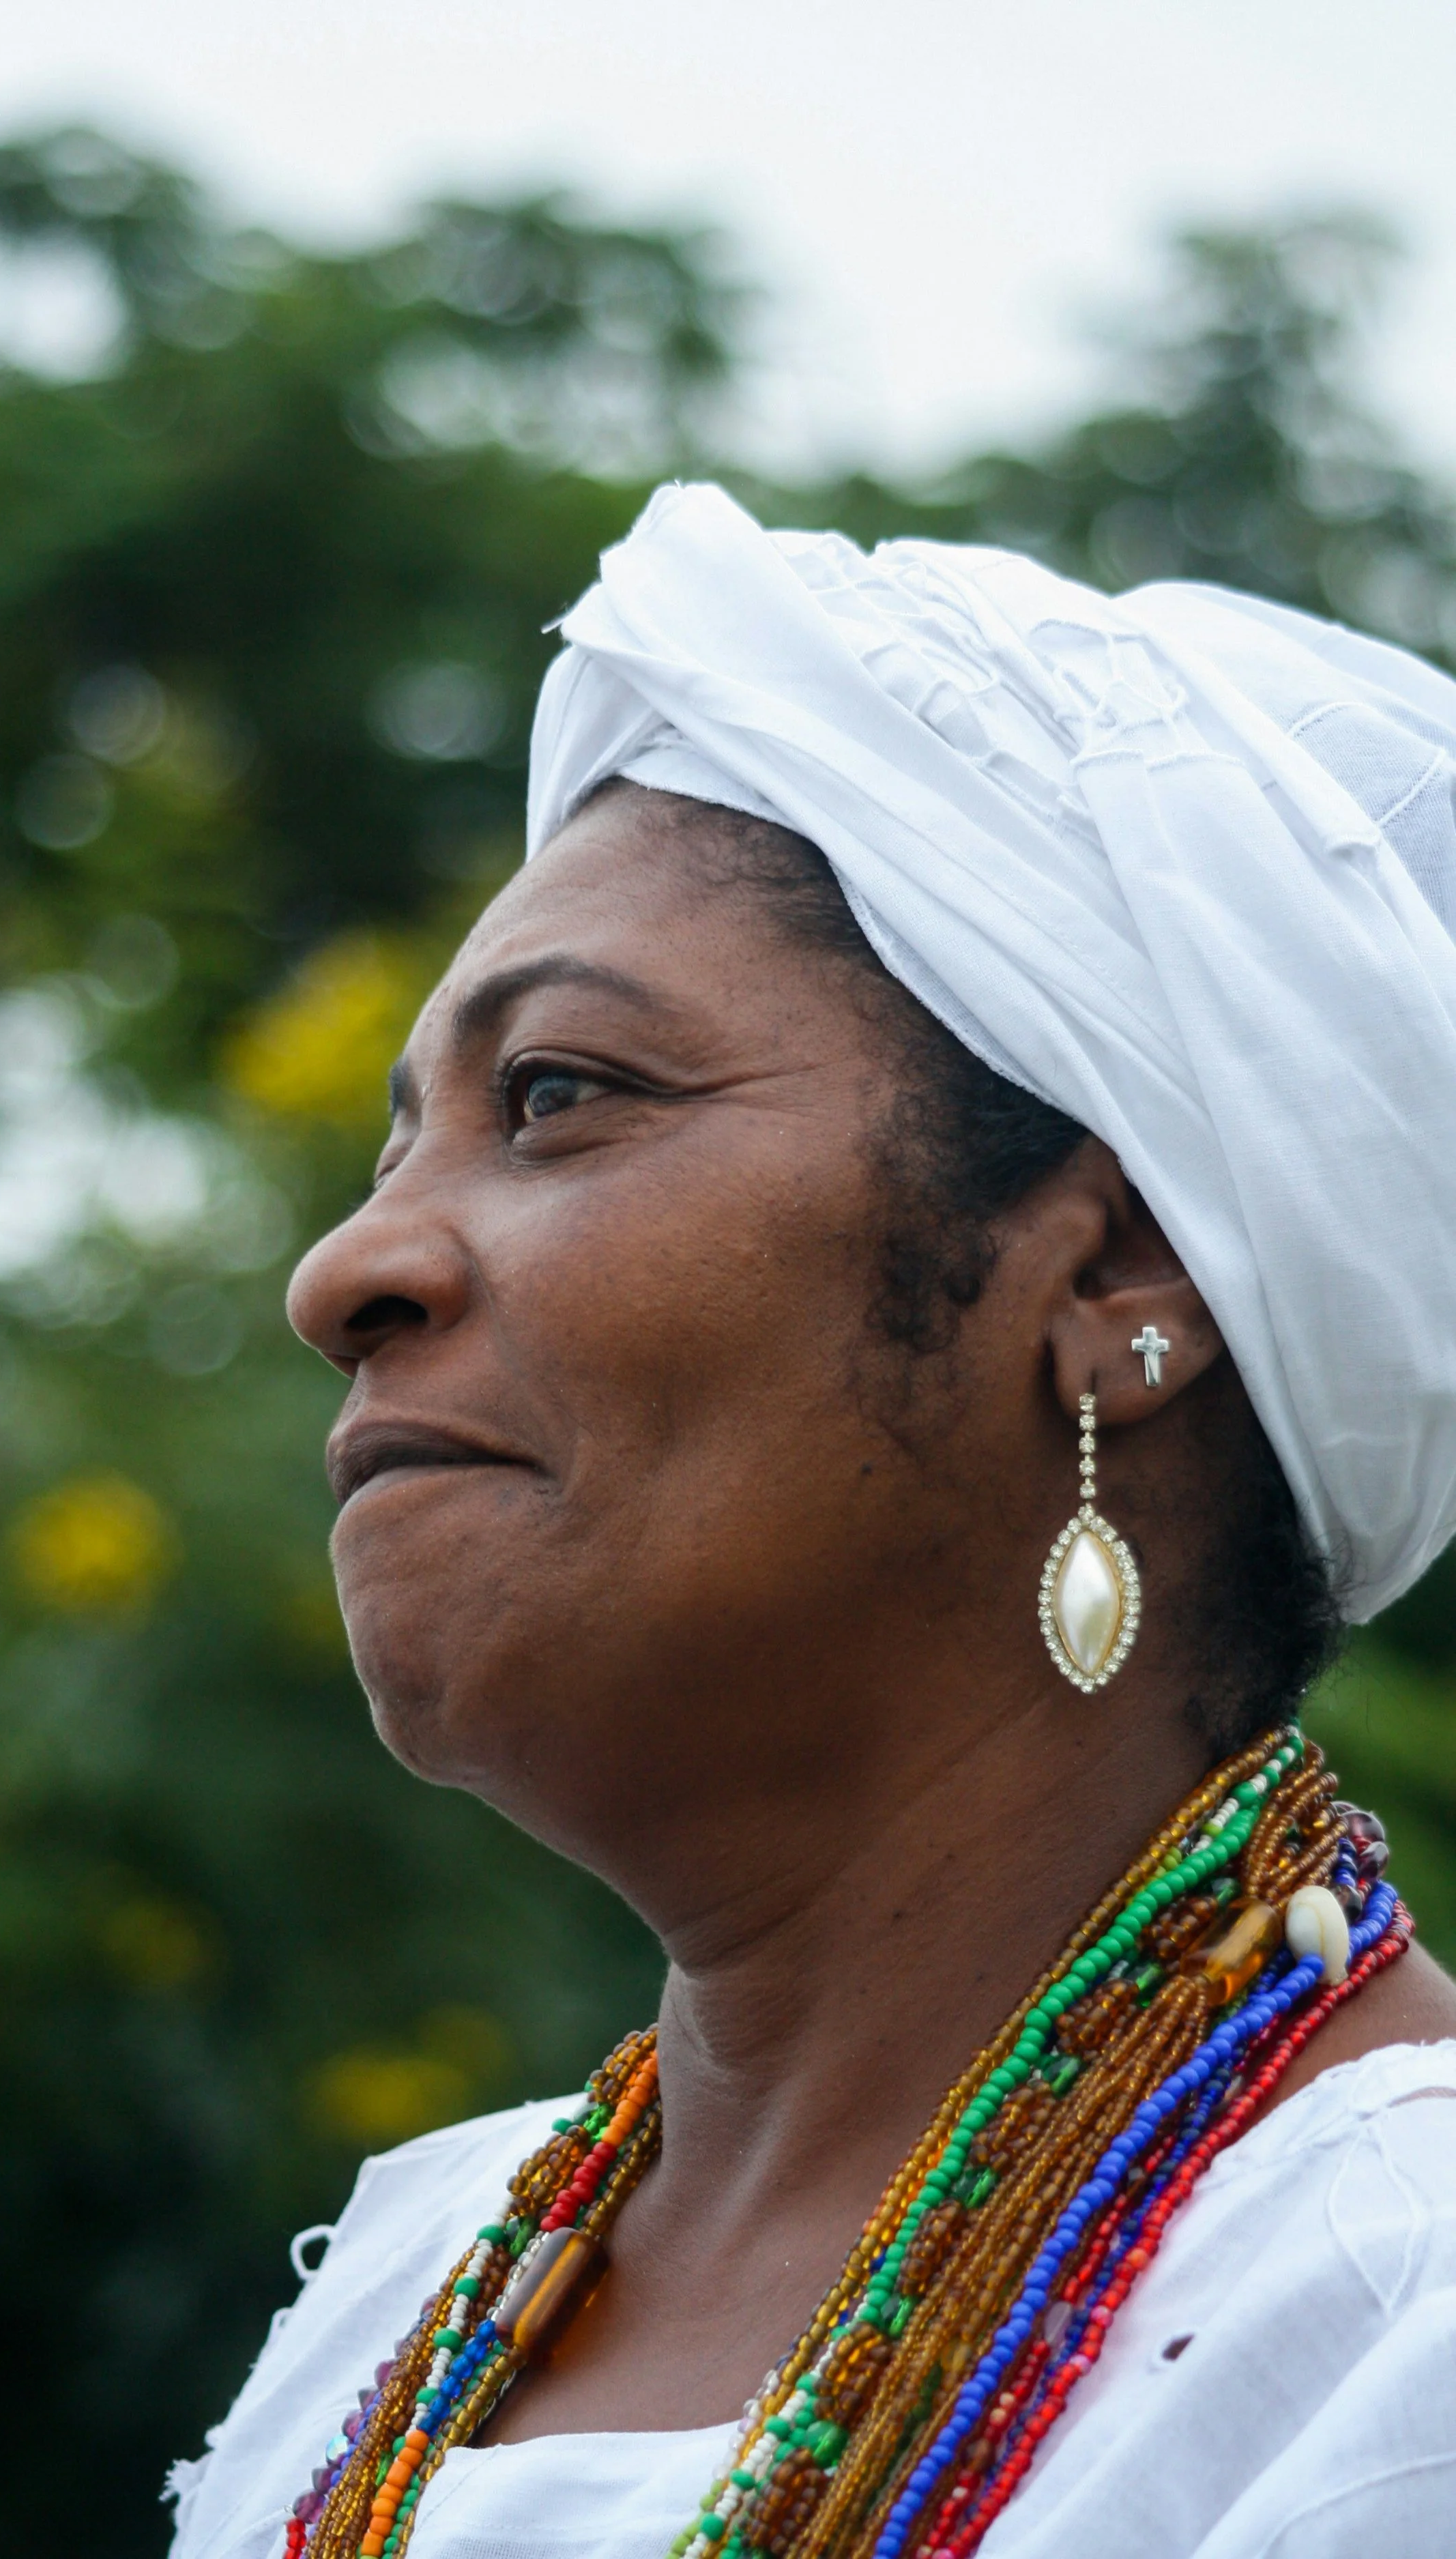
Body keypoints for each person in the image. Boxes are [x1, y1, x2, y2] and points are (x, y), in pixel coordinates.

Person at [167, 487, 1456, 2559]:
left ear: (1122, 1279)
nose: (350, 1266)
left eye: (561, 1095)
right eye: (394, 1135)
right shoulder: (410, 2305)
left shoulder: (1394, 2324)